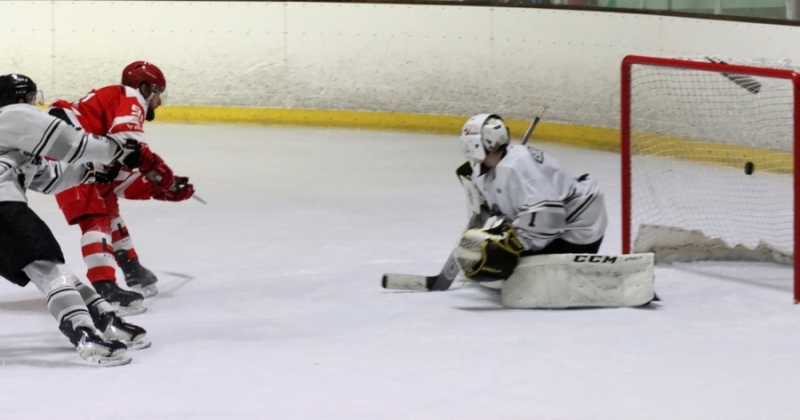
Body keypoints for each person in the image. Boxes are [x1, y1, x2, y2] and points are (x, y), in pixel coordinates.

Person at [0, 73, 151, 366]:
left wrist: (91, 171)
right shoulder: (12, 116)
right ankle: (83, 335)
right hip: (3, 207)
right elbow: (69, 142)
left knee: (51, 272)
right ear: (21, 98)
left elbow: (47, 179)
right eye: (31, 98)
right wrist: (116, 148)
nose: (34, 104)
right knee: (50, 271)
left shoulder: (12, 139)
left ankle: (106, 319)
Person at [49, 61, 194, 315]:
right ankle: (105, 286)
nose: (159, 102)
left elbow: (122, 177)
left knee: (108, 203)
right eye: (158, 94)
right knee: (96, 217)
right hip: (69, 155)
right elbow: (131, 145)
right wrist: (163, 178)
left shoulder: (112, 103)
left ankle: (131, 268)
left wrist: (162, 188)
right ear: (145, 87)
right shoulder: (131, 96)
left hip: (73, 151)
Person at [452, 113, 608, 281]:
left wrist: (513, 245)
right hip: (557, 222)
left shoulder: (518, 168)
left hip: (578, 227)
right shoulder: (491, 167)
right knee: (483, 250)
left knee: (494, 257)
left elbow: (548, 219)